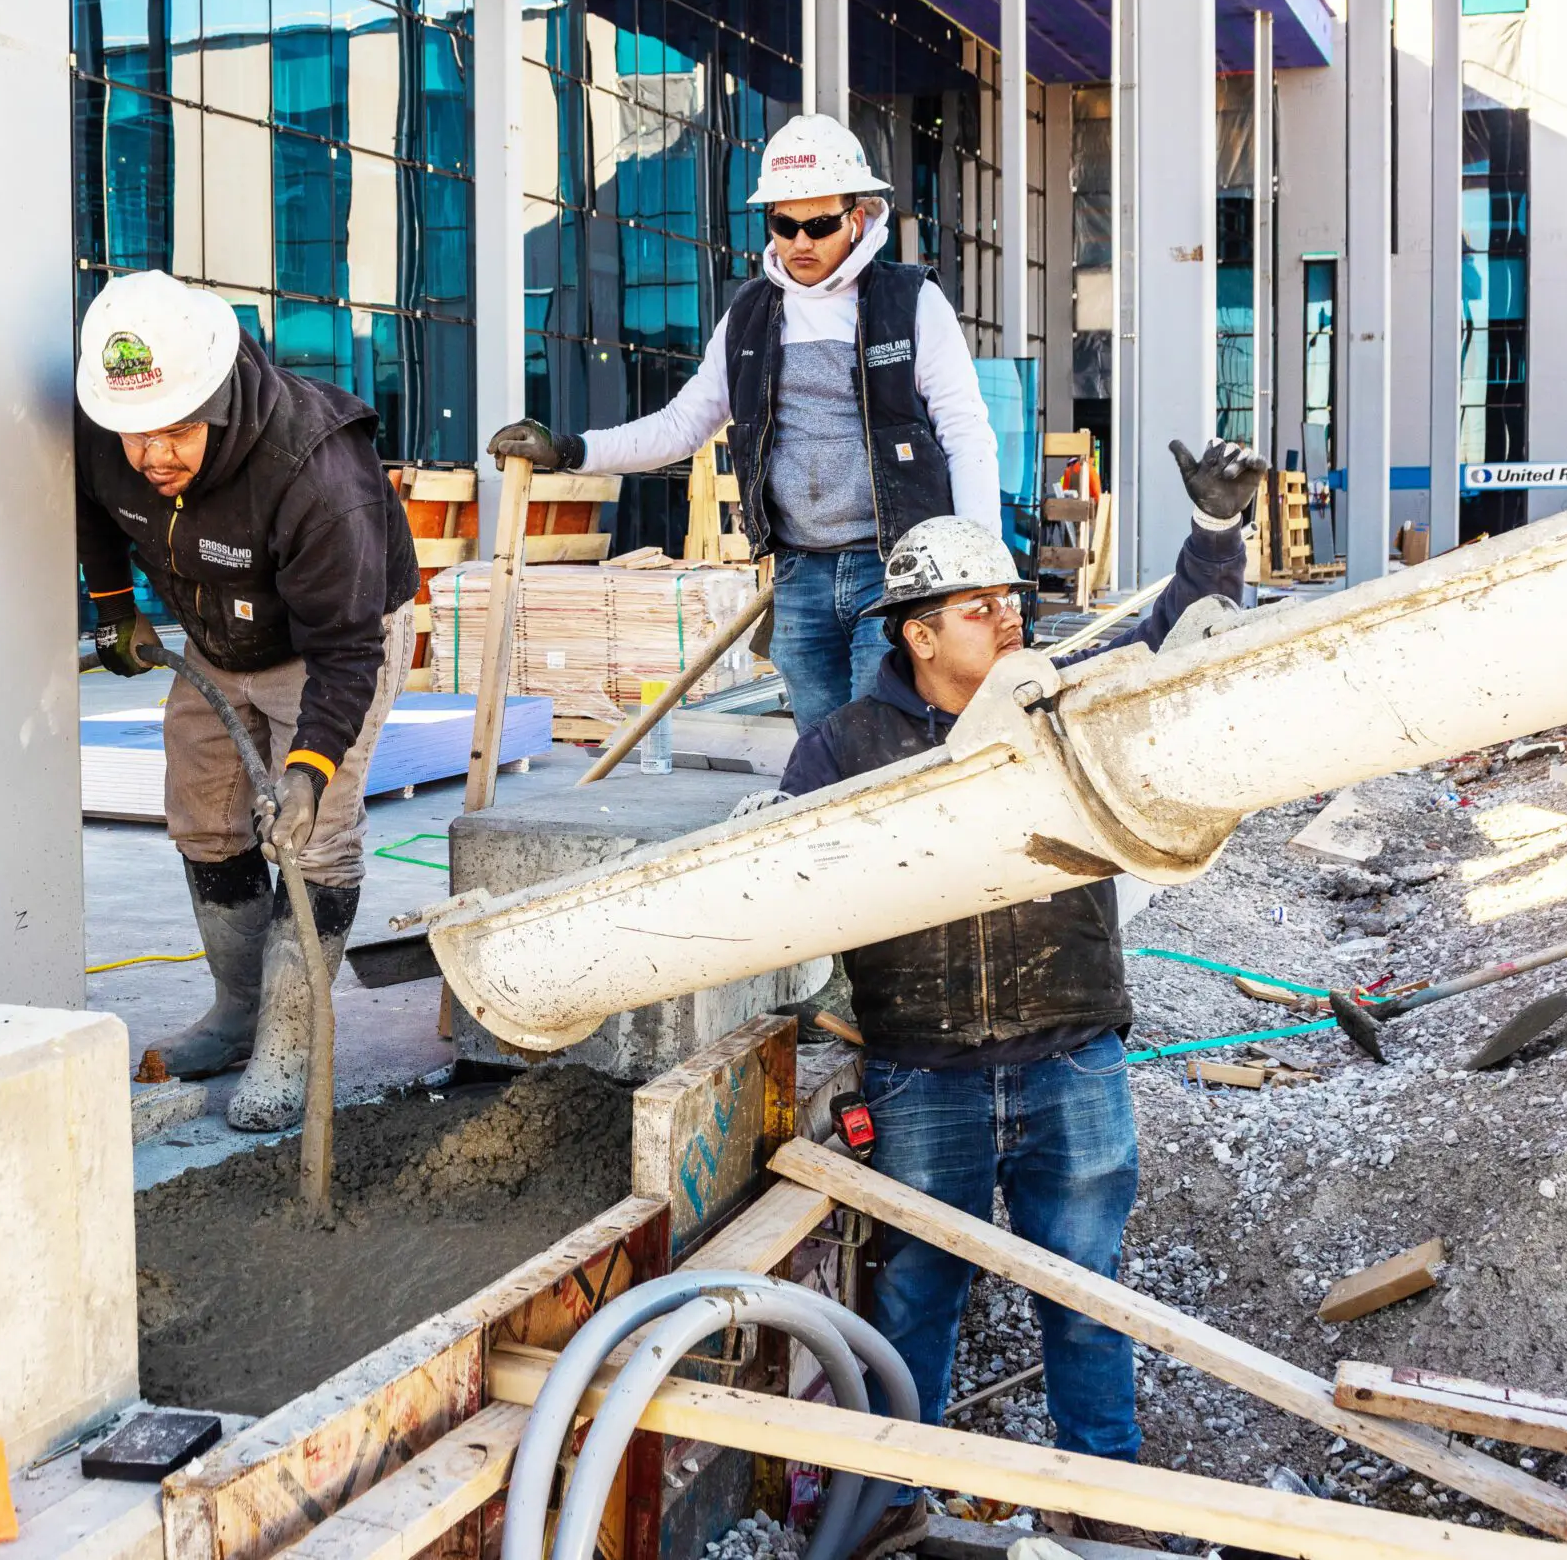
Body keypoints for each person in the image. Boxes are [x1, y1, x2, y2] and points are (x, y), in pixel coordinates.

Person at [777, 436, 1268, 1553]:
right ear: (916, 632)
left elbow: (1169, 650)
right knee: (915, 1302)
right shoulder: (842, 751)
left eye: (1008, 598)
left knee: (1086, 1293)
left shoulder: (1060, 702)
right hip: (924, 1072)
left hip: (1071, 1057)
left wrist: (1215, 539)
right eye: (978, 606)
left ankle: (1102, 1508)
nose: (1008, 618)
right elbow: (776, 881)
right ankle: (895, 1499)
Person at [488, 114, 1001, 730]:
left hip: (895, 570)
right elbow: (681, 425)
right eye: (785, 225)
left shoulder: (911, 301)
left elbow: (966, 432)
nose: (800, 242)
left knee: (883, 740)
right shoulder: (750, 315)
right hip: (799, 574)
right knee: (820, 746)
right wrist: (570, 450)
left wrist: (981, 571)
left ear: (857, 219)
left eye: (819, 225)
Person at [76, 270, 418, 1131]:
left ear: (218, 401)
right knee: (203, 812)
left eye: (177, 433)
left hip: (328, 640)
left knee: (316, 837)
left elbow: (348, 653)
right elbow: (91, 503)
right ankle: (237, 1012)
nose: (153, 456)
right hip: (215, 630)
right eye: (135, 436)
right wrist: (114, 607)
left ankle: (290, 1036)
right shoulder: (107, 421)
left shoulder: (314, 467)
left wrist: (306, 768)